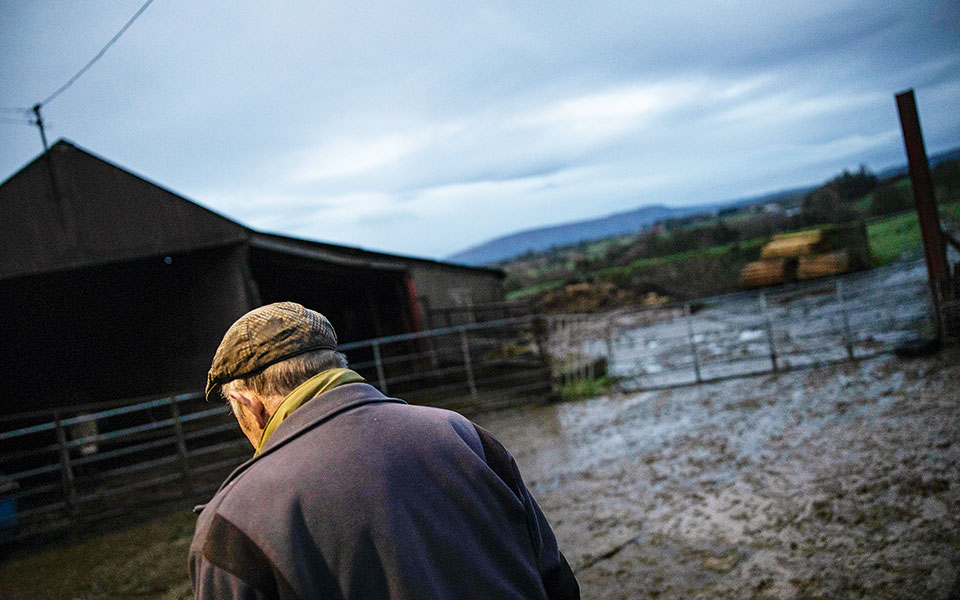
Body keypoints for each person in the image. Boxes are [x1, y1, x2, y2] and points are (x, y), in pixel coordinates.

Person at [190, 301, 580, 600]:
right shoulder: (462, 434)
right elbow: (558, 582)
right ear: (334, 367)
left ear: (248, 402)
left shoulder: (233, 520)